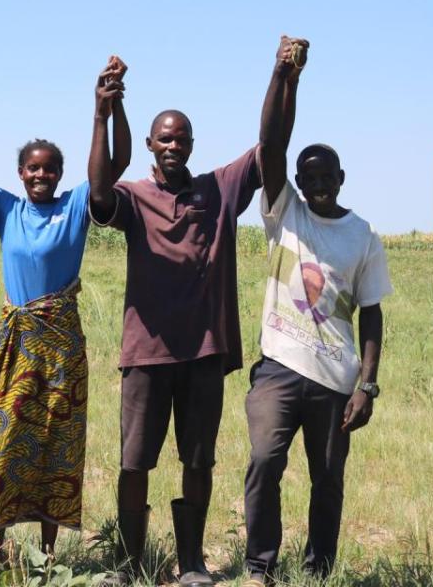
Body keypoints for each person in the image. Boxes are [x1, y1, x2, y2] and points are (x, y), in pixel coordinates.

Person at [89, 41, 299, 587]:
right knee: (135, 462)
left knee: (198, 461)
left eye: (182, 137)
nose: (173, 145)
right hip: (146, 354)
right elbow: (96, 191)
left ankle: (191, 562)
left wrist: (283, 75)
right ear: (150, 146)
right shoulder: (133, 197)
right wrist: (101, 113)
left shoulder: (220, 188)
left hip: (204, 354)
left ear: (191, 144)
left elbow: (271, 145)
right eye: (164, 138)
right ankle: (129, 563)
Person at [0, 56, 130, 555]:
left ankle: (48, 556)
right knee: (2, 443)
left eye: (49, 168)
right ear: (20, 172)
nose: (40, 175)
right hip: (15, 345)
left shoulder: (76, 205)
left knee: (55, 441)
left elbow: (113, 168)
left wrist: (106, 111)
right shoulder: (6, 208)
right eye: (32, 168)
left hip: (60, 347)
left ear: (61, 173)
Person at [241, 39, 391, 585]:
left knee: (327, 477)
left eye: (328, 177)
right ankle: (260, 567)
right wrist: (286, 76)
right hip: (278, 370)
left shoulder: (363, 236)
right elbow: (269, 143)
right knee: (264, 462)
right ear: (297, 184)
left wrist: (366, 386)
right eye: (310, 178)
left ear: (341, 179)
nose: (319, 185)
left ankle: (318, 570)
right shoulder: (285, 214)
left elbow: (371, 315)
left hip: (336, 379)